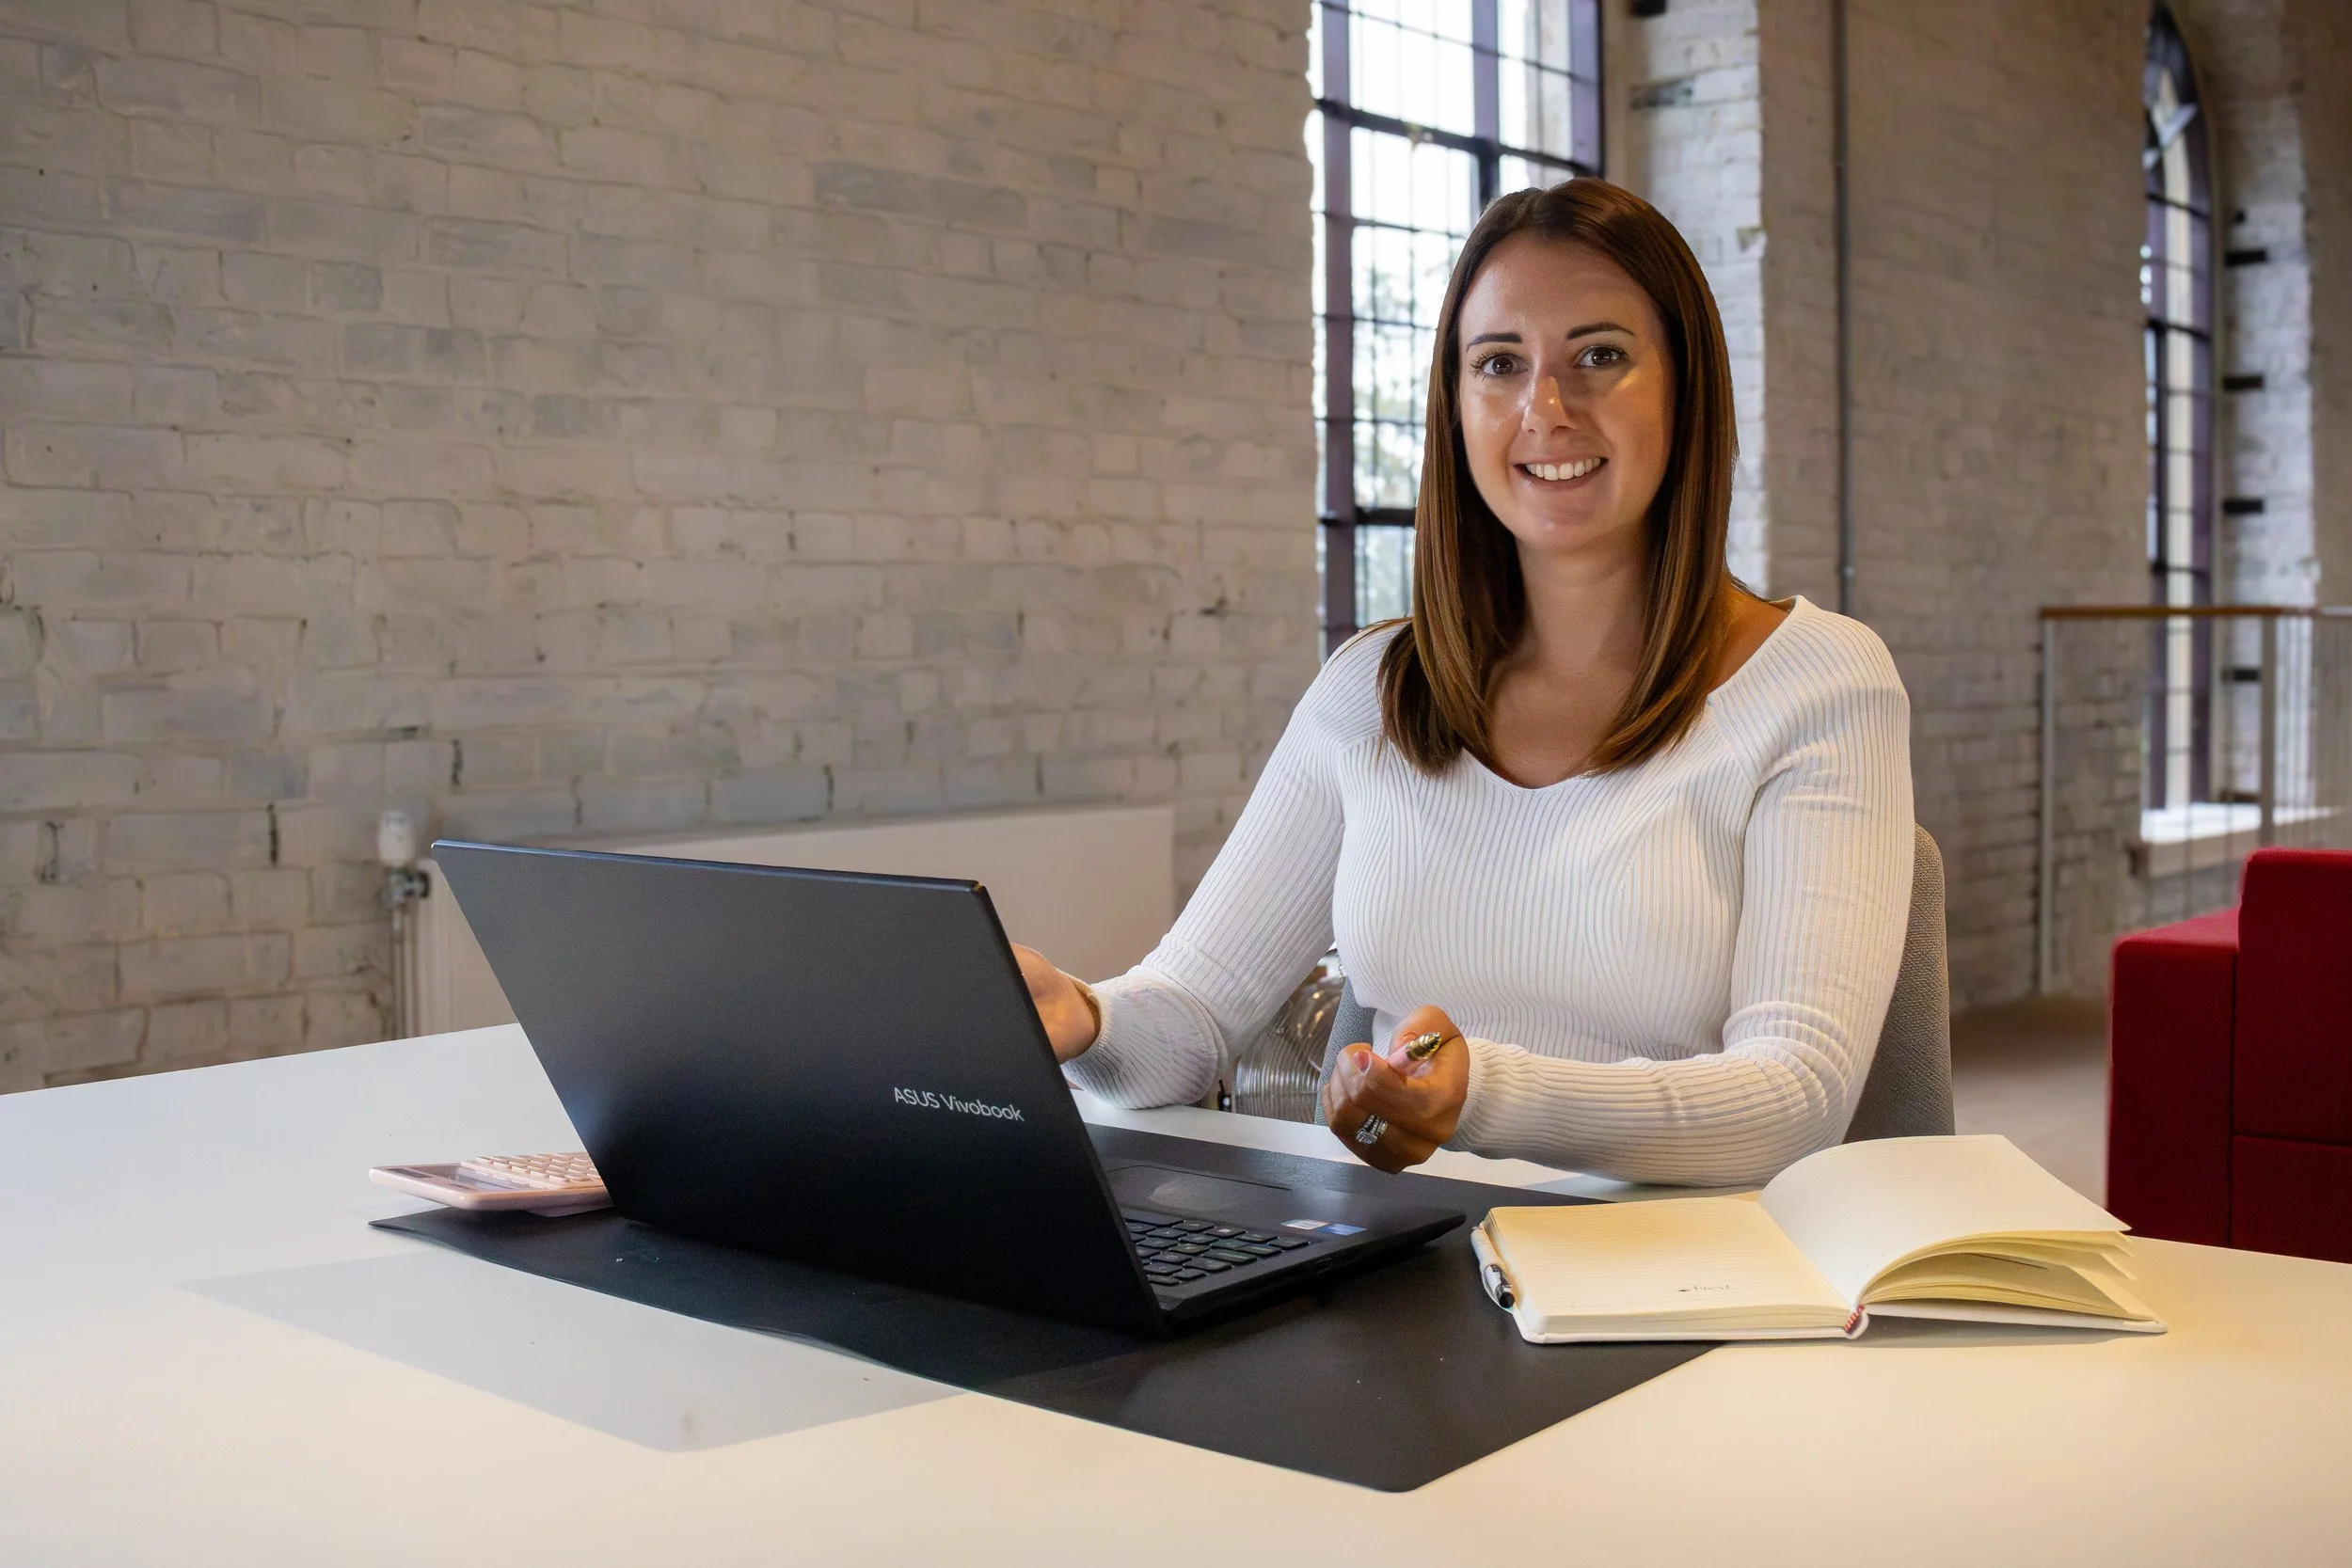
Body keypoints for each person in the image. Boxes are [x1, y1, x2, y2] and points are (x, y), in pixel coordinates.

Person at [1015, 178, 1914, 1188]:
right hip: (1411, 1263)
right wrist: (1082, 1017)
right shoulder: (1372, 690)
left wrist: (1480, 1093)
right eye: (1499, 363)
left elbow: (1792, 1100)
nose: (1546, 407)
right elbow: (1188, 1026)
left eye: (1601, 356)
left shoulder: (1820, 682)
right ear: (1455, 404)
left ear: (1687, 388)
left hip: (1685, 1282)